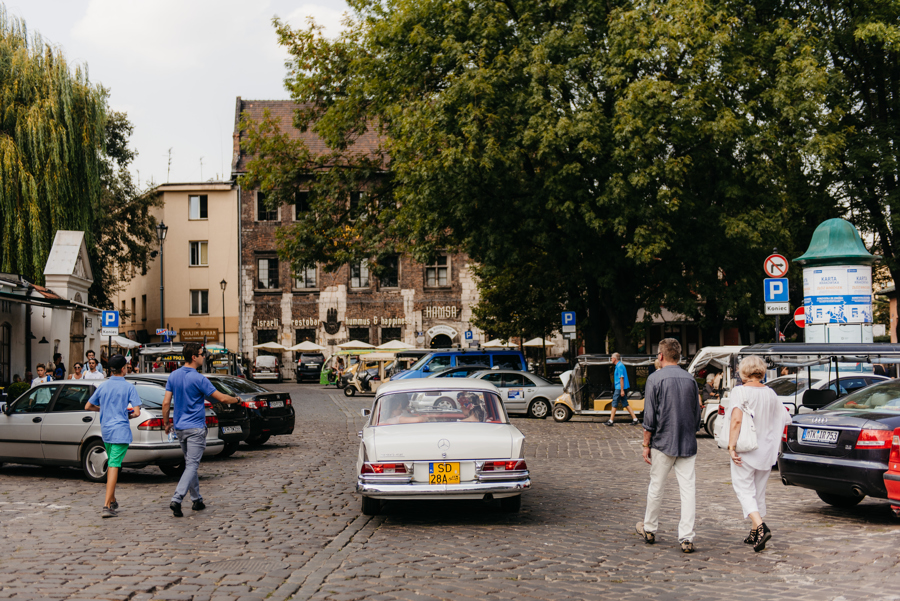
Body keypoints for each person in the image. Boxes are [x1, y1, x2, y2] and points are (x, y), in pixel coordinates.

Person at [635, 338, 701, 553]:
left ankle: (650, 527)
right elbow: (696, 414)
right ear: (679, 356)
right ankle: (686, 537)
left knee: (656, 486)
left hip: (663, 440)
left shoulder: (655, 379)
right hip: (686, 441)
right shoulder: (690, 379)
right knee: (688, 489)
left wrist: (646, 443)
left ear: (661, 356)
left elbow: (649, 416)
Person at [162, 342, 240, 517]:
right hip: (195, 427)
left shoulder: (173, 376)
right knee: (191, 465)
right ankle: (177, 498)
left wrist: (167, 423)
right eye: (201, 353)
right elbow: (221, 399)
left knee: (190, 464)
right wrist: (237, 400)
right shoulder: (199, 379)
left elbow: (166, 403)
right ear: (193, 357)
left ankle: (197, 500)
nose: (204, 356)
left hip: (180, 428)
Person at [727, 355, 793, 552]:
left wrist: (731, 446)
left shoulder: (740, 391)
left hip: (746, 449)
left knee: (744, 489)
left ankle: (761, 526)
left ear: (743, 371)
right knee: (758, 491)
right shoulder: (771, 393)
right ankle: (754, 531)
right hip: (766, 450)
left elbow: (736, 420)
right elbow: (784, 418)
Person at [84, 355, 142, 518]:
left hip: (106, 430)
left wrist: (102, 410)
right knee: (114, 465)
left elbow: (88, 406)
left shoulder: (103, 386)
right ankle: (106, 506)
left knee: (112, 464)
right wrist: (128, 415)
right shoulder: (129, 387)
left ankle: (113, 500)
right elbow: (137, 412)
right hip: (120, 431)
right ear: (123, 368)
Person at [605, 353, 639, 426]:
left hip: (619, 388)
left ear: (615, 359)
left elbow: (621, 378)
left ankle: (611, 420)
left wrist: (622, 390)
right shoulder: (620, 365)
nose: (611, 359)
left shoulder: (619, 366)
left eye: (611, 358)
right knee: (625, 403)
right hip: (621, 388)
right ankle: (635, 419)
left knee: (614, 403)